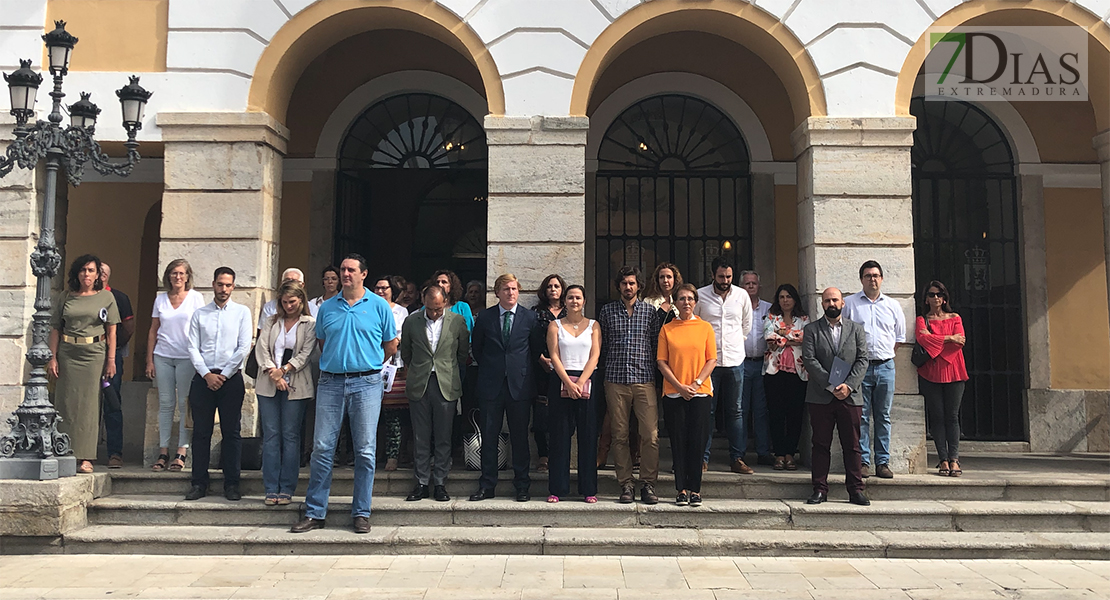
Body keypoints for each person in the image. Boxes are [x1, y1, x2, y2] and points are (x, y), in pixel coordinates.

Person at [292, 254, 397, 534]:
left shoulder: (379, 306)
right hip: (331, 382)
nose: (346, 274)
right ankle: (315, 512)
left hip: (366, 383)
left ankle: (361, 512)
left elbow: (390, 344)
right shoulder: (327, 308)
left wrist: (369, 365)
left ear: (364, 274)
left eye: (351, 270)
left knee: (365, 450)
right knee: (323, 449)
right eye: (343, 270)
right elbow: (323, 343)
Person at [469, 273, 539, 503]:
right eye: (506, 289)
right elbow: (478, 349)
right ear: (497, 293)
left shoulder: (529, 318)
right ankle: (487, 484)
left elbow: (534, 349)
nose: (511, 293)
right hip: (491, 385)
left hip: (519, 386)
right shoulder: (485, 318)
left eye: (514, 289)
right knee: (489, 436)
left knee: (520, 437)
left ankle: (522, 485)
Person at [184, 267, 253, 501]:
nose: (224, 289)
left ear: (234, 287)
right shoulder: (200, 314)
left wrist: (223, 374)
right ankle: (198, 483)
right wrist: (206, 374)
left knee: (231, 432)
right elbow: (192, 346)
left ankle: (232, 484)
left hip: (230, 378)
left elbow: (244, 346)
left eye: (228, 285)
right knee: (201, 433)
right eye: (220, 284)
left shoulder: (242, 313)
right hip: (204, 378)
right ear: (213, 284)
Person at [48, 255, 120, 474]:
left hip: (94, 354)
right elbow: (55, 328)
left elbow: (112, 330)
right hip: (68, 352)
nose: (86, 274)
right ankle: (64, 451)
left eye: (90, 270)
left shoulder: (106, 297)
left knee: (89, 405)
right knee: (66, 402)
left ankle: (86, 456)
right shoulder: (66, 296)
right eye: (82, 270)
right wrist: (52, 357)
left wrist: (110, 359)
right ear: (76, 274)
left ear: (98, 274)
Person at [598, 266, 662, 505]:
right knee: (620, 435)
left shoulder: (649, 312)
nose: (628, 287)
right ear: (618, 286)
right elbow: (600, 345)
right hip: (615, 380)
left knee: (650, 435)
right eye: (624, 283)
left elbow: (656, 345)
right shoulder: (607, 311)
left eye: (632, 283)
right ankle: (625, 483)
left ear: (639, 286)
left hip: (644, 379)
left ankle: (648, 483)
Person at [400, 285, 469, 502]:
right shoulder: (411, 321)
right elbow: (407, 353)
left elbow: (462, 353)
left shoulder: (457, 321)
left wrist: (449, 372)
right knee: (421, 435)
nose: (434, 313)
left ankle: (440, 481)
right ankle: (421, 482)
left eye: (438, 309)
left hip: (446, 382)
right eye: (430, 309)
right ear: (423, 301)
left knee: (443, 435)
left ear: (446, 302)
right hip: (420, 381)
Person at [802, 288, 870, 506]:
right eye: (827, 300)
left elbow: (862, 360)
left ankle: (856, 490)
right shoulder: (811, 329)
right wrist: (831, 385)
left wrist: (848, 386)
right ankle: (820, 489)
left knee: (852, 445)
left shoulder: (856, 330)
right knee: (820, 444)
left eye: (835, 300)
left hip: (850, 397)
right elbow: (809, 360)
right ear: (822, 304)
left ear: (843, 303)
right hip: (821, 396)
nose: (831, 304)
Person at [254, 280, 316, 506]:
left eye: (292, 302)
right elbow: (261, 348)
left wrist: (284, 371)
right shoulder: (271, 321)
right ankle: (270, 487)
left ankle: (287, 487)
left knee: (290, 436)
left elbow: (306, 353)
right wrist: (273, 372)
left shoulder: (309, 323)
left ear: (301, 300)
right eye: (284, 302)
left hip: (296, 383)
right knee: (271, 435)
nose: (289, 306)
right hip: (269, 382)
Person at [842, 260, 906, 479]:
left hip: (886, 366)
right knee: (861, 416)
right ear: (861, 279)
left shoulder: (892, 306)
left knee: (884, 416)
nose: (872, 279)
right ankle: (864, 461)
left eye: (876, 275)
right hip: (860, 368)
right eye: (868, 275)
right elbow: (844, 337)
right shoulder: (850, 303)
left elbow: (898, 338)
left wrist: (884, 355)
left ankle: (883, 462)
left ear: (882, 278)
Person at [657, 284, 717, 507]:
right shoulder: (668, 329)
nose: (686, 303)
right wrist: (679, 386)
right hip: (674, 393)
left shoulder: (705, 328)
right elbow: (662, 361)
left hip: (700, 393)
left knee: (697, 442)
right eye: (681, 299)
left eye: (690, 298)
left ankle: (696, 490)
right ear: (676, 303)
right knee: (678, 441)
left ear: (696, 301)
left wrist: (696, 383)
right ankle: (681, 488)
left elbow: (711, 359)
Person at [694, 257, 754, 474]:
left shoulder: (741, 296)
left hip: (735, 360)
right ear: (712, 275)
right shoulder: (701, 295)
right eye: (721, 276)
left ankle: (737, 458)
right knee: (706, 411)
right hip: (708, 363)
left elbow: (746, 325)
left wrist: (735, 343)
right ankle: (702, 458)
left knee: (736, 411)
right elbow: (696, 324)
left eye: (728, 276)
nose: (725, 280)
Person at [146, 259, 206, 472]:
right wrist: (149, 359)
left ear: (188, 276)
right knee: (165, 403)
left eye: (181, 273)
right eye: (173, 273)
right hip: (163, 354)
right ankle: (163, 451)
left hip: (186, 356)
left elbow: (202, 328)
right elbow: (153, 329)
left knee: (184, 403)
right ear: (168, 276)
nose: (177, 277)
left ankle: (182, 450)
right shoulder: (160, 299)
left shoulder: (196, 298)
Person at [546, 284, 600, 504]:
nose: (574, 301)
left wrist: (582, 381)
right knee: (559, 436)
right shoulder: (554, 325)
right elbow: (554, 356)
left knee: (587, 437)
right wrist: (568, 383)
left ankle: (588, 489)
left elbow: (595, 355)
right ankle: (557, 488)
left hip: (587, 380)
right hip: (561, 380)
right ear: (564, 301)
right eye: (570, 298)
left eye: (578, 298)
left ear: (584, 301)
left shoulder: (594, 326)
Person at [915, 280, 969, 477]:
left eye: (939, 294)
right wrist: (947, 339)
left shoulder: (955, 317)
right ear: (926, 298)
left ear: (944, 297)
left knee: (952, 416)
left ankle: (954, 459)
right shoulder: (922, 320)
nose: (935, 297)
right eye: (931, 294)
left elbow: (960, 341)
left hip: (954, 371)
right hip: (931, 373)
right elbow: (922, 339)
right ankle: (942, 459)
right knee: (937, 416)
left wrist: (936, 344)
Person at [763, 284, 809, 471]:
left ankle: (791, 453)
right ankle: (779, 454)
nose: (785, 300)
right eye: (781, 297)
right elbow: (769, 337)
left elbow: (805, 337)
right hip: (774, 372)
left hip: (797, 373)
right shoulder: (771, 317)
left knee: (795, 414)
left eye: (788, 296)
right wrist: (791, 338)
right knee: (776, 414)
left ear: (795, 299)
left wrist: (782, 336)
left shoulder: (804, 319)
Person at [372, 275, 410, 472]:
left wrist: (392, 342)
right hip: (370, 365)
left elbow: (403, 336)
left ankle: (393, 455)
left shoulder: (401, 311)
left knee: (393, 414)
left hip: (393, 367)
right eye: (377, 287)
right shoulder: (368, 307)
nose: (380, 291)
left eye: (384, 288)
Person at [98, 262, 133, 469]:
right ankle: (85, 452)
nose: (100, 276)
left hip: (112, 357)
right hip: (87, 356)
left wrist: (116, 346)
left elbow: (129, 327)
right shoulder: (84, 296)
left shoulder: (119, 298)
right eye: (97, 272)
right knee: (87, 405)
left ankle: (115, 453)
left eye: (104, 273)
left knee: (112, 403)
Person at [532, 273, 568, 473]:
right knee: (541, 415)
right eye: (549, 287)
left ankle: (559, 454)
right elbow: (530, 339)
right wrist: (541, 358)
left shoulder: (570, 312)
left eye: (556, 286)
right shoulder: (536, 313)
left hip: (566, 369)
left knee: (562, 413)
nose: (553, 289)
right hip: (542, 368)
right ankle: (543, 455)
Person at [739, 270, 773, 466]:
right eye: (747, 284)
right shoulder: (737, 307)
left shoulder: (769, 309)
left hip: (762, 363)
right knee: (740, 410)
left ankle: (762, 451)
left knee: (761, 410)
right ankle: (739, 452)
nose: (750, 286)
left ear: (759, 286)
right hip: (741, 363)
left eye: (753, 283)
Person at [258, 267, 304, 333]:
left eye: (294, 281)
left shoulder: (313, 308)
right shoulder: (270, 307)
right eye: (287, 280)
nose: (289, 283)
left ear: (302, 285)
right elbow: (263, 333)